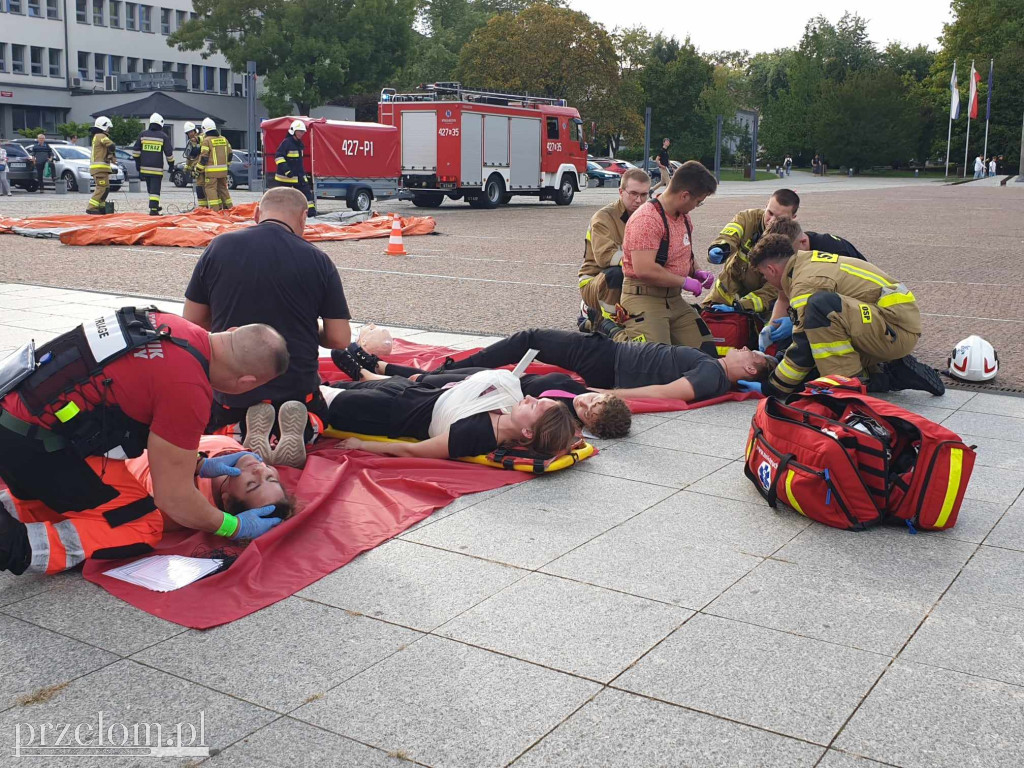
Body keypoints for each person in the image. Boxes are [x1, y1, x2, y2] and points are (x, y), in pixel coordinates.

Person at [0, 310, 291, 576]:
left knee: (71, 503)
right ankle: (13, 546)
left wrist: (199, 464)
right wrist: (234, 526)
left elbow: (135, 403)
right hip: (35, 444)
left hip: (16, 413)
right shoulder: (189, 388)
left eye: (257, 482)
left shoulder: (169, 323)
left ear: (232, 330)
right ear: (247, 382)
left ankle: (18, 507)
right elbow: (173, 500)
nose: (257, 470)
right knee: (141, 524)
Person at [184, 187, 352, 468]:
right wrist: (308, 330)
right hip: (297, 390)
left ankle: (238, 429)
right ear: (303, 218)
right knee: (316, 409)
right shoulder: (318, 260)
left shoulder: (219, 247)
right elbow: (339, 338)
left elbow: (192, 322)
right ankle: (307, 425)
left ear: (256, 213)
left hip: (233, 393)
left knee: (223, 408)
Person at [745, 234, 944, 399]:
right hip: (889, 325)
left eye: (764, 275)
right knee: (818, 365)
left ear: (772, 269)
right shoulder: (807, 263)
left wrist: (772, 388)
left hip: (896, 330)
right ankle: (889, 374)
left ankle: (849, 387)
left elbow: (802, 348)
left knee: (821, 309)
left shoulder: (805, 282)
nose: (766, 281)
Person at [412, 328, 776, 405]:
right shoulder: (714, 369)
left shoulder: (712, 373)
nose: (743, 346)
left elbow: (667, 394)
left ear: (749, 370)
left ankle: (448, 370)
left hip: (607, 361)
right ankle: (440, 377)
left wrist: (608, 393)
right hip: (610, 358)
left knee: (528, 340)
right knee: (527, 359)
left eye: (750, 353)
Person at [321, 371, 578, 461]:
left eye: (534, 406)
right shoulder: (506, 407)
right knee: (332, 386)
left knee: (318, 396)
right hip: (409, 391)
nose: (530, 398)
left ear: (527, 433)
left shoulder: (476, 434)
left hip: (385, 412)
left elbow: (416, 451)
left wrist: (361, 445)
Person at [350, 361, 633, 439]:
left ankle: (373, 371)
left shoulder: (556, 417)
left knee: (425, 382)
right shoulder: (575, 388)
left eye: (587, 411)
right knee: (436, 376)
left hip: (488, 395)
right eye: (594, 400)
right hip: (500, 379)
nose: (585, 402)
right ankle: (375, 370)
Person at [618, 160, 719, 350]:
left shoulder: (683, 217)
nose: (697, 206)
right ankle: (615, 333)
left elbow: (681, 252)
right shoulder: (647, 219)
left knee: (705, 350)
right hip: (645, 297)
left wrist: (696, 271)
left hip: (673, 299)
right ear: (684, 196)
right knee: (656, 358)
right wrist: (684, 282)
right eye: (698, 201)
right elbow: (645, 270)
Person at [750, 216, 867, 350]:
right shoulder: (791, 253)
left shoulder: (835, 251)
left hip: (860, 308)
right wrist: (770, 328)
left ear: (803, 242)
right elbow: (783, 299)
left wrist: (798, 323)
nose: (787, 260)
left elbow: (840, 305)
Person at [703, 188, 800, 317]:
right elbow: (730, 235)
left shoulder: (793, 243)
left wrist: (741, 306)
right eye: (770, 213)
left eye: (779, 218)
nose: (771, 220)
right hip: (727, 291)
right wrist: (721, 248)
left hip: (761, 305)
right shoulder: (747, 218)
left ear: (793, 218)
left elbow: (774, 290)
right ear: (766, 205)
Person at [577, 168, 651, 332]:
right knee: (616, 275)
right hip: (596, 279)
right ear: (621, 192)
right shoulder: (604, 217)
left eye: (644, 195)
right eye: (633, 194)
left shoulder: (650, 218)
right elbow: (605, 257)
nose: (639, 200)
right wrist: (644, 264)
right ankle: (604, 324)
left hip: (632, 277)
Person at [131, 112, 175, 216]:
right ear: (161, 124)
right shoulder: (163, 136)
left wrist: (138, 165)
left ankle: (154, 205)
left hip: (144, 168)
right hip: (156, 169)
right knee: (155, 190)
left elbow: (135, 152)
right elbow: (169, 153)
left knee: (150, 189)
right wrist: (171, 166)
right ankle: (154, 209)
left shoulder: (143, 134)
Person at [274, 120, 317, 216]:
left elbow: (299, 162)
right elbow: (278, 157)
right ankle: (282, 216)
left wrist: (303, 175)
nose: (302, 134)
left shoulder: (299, 144)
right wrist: (287, 171)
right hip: (286, 178)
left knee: (307, 194)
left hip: (298, 176)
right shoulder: (286, 143)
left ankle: (311, 214)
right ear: (293, 131)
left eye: (303, 132)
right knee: (285, 199)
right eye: (300, 131)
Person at [197, 117, 232, 211]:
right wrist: (227, 165)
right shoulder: (224, 139)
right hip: (223, 171)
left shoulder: (207, 141)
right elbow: (230, 154)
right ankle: (230, 209)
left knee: (210, 189)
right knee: (223, 190)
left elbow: (204, 157)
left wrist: (198, 169)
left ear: (204, 129)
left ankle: (215, 211)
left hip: (211, 172)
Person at [86, 116, 116, 215]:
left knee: (106, 188)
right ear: (103, 126)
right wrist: (112, 153)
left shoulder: (97, 136)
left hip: (101, 169)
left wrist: (110, 155)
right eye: (108, 127)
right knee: (101, 187)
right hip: (99, 169)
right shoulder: (101, 136)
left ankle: (101, 207)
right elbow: (111, 145)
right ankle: (92, 207)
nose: (109, 130)